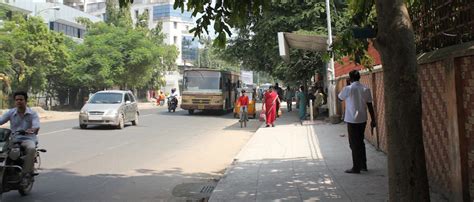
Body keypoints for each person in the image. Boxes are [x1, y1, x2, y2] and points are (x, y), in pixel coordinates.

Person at [338, 70, 376, 174]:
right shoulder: (365, 89)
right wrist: (373, 119)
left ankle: (356, 167)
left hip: (352, 120)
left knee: (354, 144)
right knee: (360, 142)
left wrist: (347, 85)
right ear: (359, 77)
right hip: (362, 119)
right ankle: (363, 165)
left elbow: (340, 99)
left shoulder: (348, 89)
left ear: (350, 78)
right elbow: (370, 105)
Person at [0, 91, 40, 181]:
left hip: (28, 139)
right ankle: (7, 169)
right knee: (2, 149)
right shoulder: (11, 112)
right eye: (17, 100)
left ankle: (25, 173)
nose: (19, 101)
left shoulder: (32, 114)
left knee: (31, 148)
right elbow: (1, 120)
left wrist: (32, 129)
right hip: (14, 139)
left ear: (25, 101)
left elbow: (36, 126)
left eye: (21, 99)